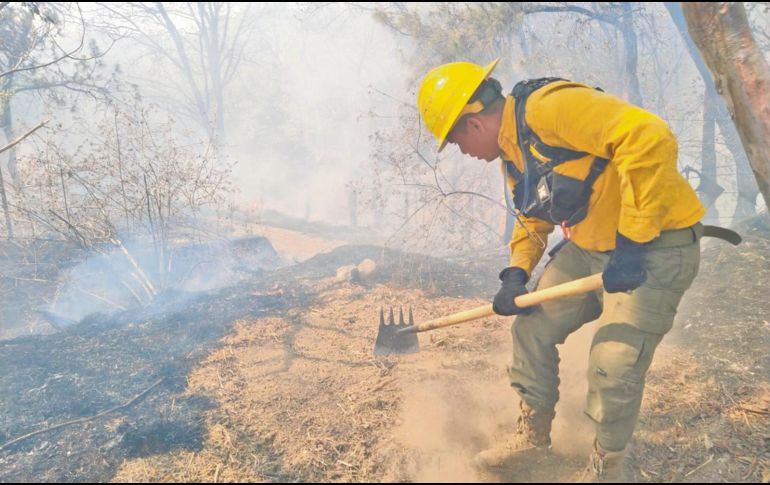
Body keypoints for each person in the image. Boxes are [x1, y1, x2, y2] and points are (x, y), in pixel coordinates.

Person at [416, 58, 708, 481]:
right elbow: (535, 214)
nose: (464, 153)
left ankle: (607, 469)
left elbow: (648, 136)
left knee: (612, 363)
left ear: (473, 123)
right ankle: (532, 439)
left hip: (654, 249)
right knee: (531, 330)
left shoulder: (548, 110)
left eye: (457, 143)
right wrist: (516, 272)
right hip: (591, 251)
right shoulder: (512, 154)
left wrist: (634, 239)